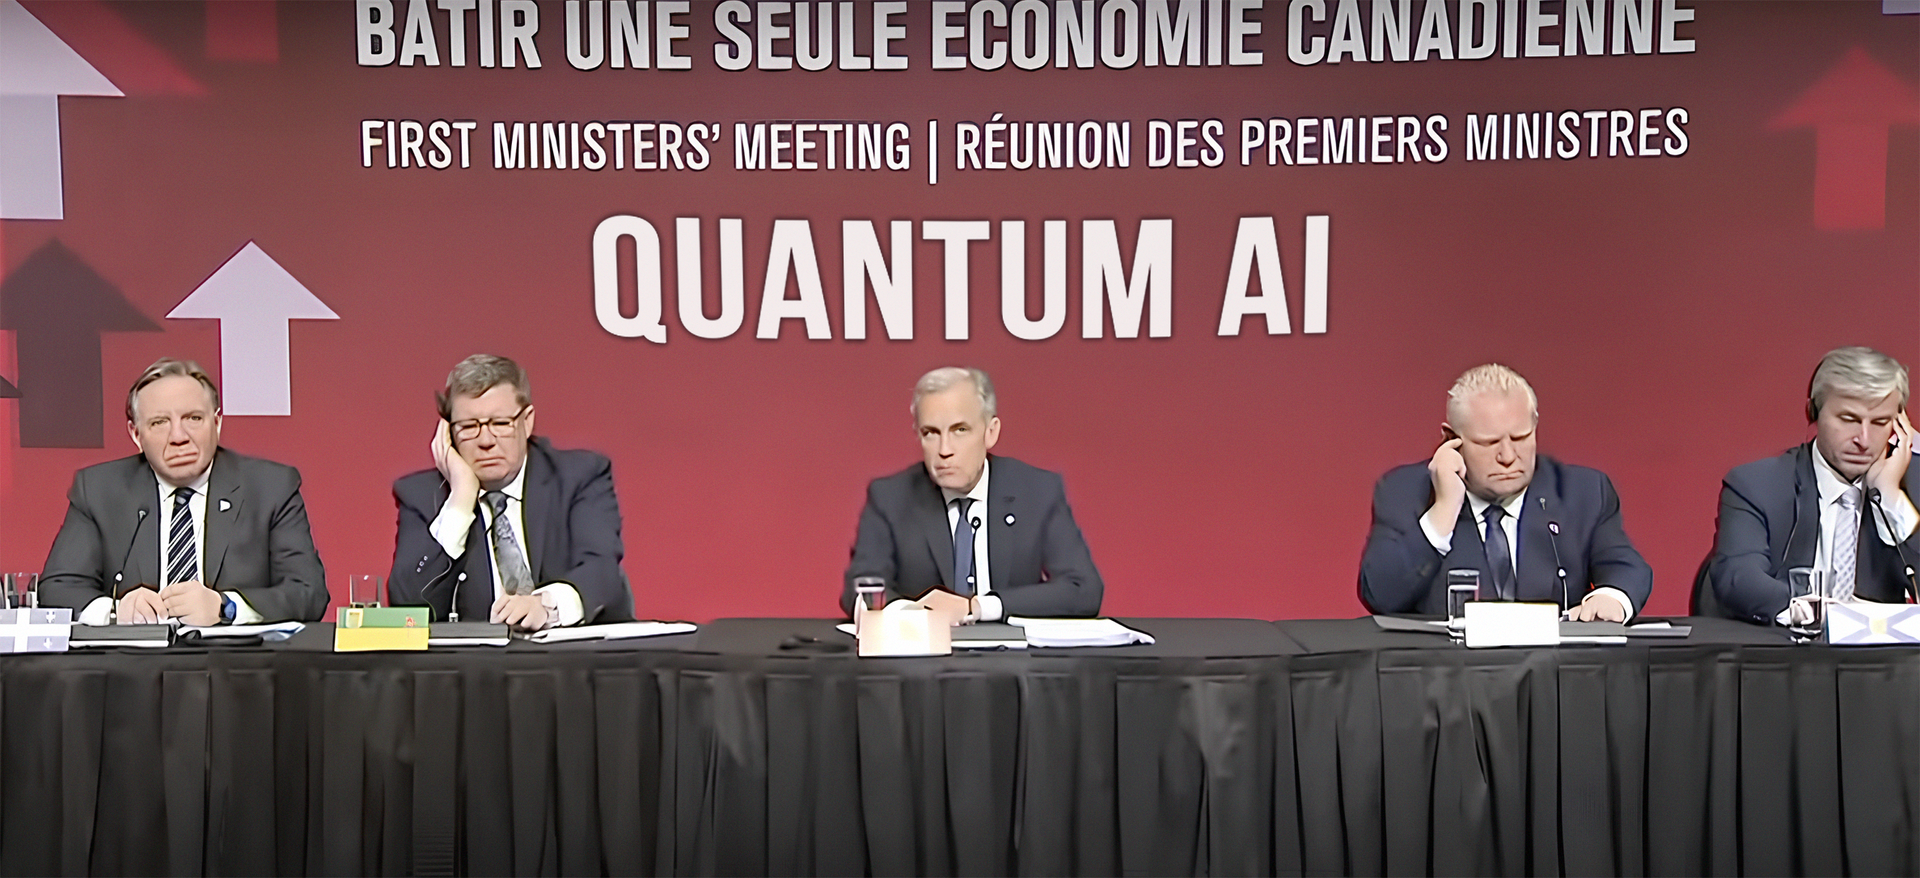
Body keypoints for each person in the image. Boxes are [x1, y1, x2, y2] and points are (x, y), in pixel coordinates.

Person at [39, 358, 328, 624]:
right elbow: (57, 588)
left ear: (217, 422)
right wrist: (115, 611)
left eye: (193, 419)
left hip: (237, 671)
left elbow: (309, 592)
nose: (178, 437)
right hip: (133, 670)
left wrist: (225, 607)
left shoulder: (270, 487)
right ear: (136, 434)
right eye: (159, 423)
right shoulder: (99, 489)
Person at [1359, 364, 1652, 620]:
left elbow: (1626, 567)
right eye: (1489, 443)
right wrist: (1442, 512)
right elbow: (1380, 595)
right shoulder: (1404, 492)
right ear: (1450, 440)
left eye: (1521, 437)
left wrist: (1612, 597)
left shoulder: (1583, 492)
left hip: (1551, 673)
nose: (1508, 456)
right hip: (1445, 677)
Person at [387, 354, 632, 630]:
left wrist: (545, 606)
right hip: (475, 670)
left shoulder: (579, 476)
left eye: (500, 424)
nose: (486, 441)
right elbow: (409, 607)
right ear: (448, 434)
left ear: (526, 422)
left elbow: (602, 571)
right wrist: (460, 500)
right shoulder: (422, 496)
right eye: (468, 427)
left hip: (573, 666)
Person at [841, 367, 1103, 620]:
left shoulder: (1037, 491)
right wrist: (916, 614)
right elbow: (860, 590)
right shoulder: (890, 497)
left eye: (960, 430)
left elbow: (1084, 589)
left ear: (991, 432)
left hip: (1014, 662)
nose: (944, 449)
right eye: (930, 433)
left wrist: (979, 607)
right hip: (923, 658)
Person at [1709, 346, 1920, 624]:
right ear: (1813, 412)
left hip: (1882, 664)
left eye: (1880, 422)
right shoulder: (1758, 485)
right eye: (1848, 419)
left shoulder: (1912, 485)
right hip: (1788, 658)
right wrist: (1823, 614)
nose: (1864, 440)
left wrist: (1892, 498)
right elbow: (1737, 576)